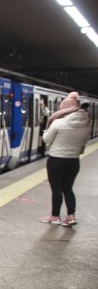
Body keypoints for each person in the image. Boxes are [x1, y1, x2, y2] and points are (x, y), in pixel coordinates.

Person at [39, 92, 90, 227]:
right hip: (73, 161)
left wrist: (46, 129)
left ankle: (55, 216)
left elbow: (46, 140)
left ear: (65, 109)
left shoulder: (58, 122)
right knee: (68, 188)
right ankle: (71, 216)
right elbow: (83, 143)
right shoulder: (86, 124)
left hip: (56, 160)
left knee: (56, 189)